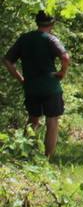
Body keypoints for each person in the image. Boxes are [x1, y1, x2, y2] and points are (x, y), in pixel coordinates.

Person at [3, 10, 70, 159]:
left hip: (31, 87)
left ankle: (24, 154)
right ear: (52, 24)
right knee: (52, 122)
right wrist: (62, 73)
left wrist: (22, 80)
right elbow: (65, 57)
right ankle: (47, 159)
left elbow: (7, 61)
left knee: (32, 120)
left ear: (36, 22)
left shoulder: (24, 39)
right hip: (50, 86)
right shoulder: (51, 39)